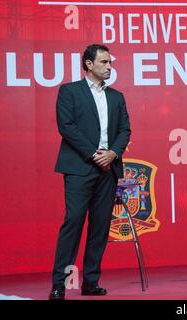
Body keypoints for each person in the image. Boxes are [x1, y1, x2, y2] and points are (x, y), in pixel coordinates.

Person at [49, 44, 131, 300]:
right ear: (88, 64)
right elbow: (67, 126)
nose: (109, 67)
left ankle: (91, 281)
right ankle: (59, 284)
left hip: (109, 169)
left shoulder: (116, 96)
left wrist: (112, 153)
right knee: (73, 222)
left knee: (100, 226)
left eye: (110, 63)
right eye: (104, 62)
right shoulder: (69, 91)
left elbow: (125, 131)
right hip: (80, 168)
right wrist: (95, 154)